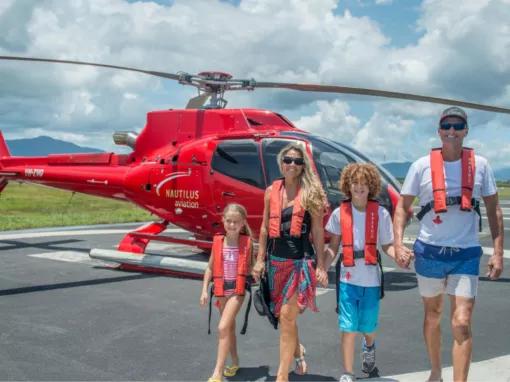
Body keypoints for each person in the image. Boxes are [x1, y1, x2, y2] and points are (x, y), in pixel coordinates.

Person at [393, 106, 504, 382]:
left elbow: (494, 209)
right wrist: (397, 244)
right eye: (447, 126)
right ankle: (435, 371)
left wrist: (498, 252)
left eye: (457, 126)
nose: (452, 131)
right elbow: (402, 208)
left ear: (466, 130)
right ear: (439, 130)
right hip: (429, 252)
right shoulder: (420, 166)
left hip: (465, 254)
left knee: (461, 321)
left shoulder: (481, 166)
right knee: (433, 315)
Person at [251, 142, 328, 382]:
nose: (292, 164)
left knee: (286, 316)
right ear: (281, 164)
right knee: (285, 317)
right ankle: (298, 352)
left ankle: (282, 376)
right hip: (275, 264)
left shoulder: (311, 194)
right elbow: (264, 228)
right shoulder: (270, 192)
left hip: (299, 263)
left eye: (297, 161)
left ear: (303, 166)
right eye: (288, 160)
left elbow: (317, 231)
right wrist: (259, 260)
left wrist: (322, 265)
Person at [322, 163, 398, 382]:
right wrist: (323, 267)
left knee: (368, 327)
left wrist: (399, 255)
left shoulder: (381, 213)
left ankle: (369, 346)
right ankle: (348, 372)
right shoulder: (339, 213)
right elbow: (332, 247)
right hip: (347, 279)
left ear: (371, 186)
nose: (359, 187)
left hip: (371, 279)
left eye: (364, 184)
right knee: (348, 327)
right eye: (355, 183)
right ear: (348, 185)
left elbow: (387, 245)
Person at [200, 203, 254, 382]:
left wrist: (258, 270)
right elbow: (209, 268)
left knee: (222, 327)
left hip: (237, 293)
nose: (232, 225)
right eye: (228, 221)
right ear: (223, 220)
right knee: (229, 329)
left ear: (242, 223)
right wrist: (204, 291)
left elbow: (253, 268)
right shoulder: (218, 243)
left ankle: (217, 372)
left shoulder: (247, 243)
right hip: (221, 292)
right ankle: (235, 360)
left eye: (236, 222)